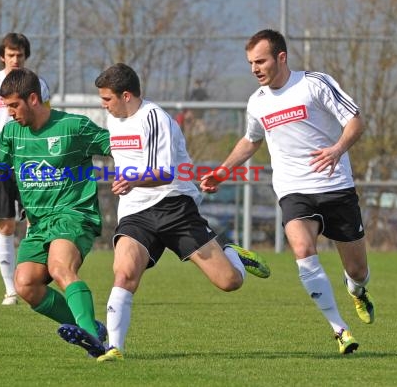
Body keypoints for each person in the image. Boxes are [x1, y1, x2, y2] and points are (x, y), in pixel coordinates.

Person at [201, 29, 374, 355]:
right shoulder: (257, 102)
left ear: (281, 57)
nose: (255, 68)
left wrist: (337, 149)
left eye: (261, 60)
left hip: (336, 186)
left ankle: (357, 289)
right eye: (251, 62)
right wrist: (223, 171)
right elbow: (251, 140)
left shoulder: (314, 84)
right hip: (293, 190)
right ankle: (340, 330)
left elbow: (355, 121)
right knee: (301, 248)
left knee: (357, 269)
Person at [93, 63, 271, 363]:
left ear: (126, 96)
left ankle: (233, 255)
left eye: (107, 99)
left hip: (174, 206)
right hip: (136, 212)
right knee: (124, 272)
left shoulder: (154, 118)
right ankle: (114, 348)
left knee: (229, 282)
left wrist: (132, 179)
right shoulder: (114, 121)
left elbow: (162, 173)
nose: (103, 105)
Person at [0, 68, 110, 358]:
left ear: (33, 99)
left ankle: (94, 341)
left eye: (14, 106)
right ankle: (86, 326)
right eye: (5, 107)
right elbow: (0, 175)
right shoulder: (11, 132)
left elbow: (116, 146)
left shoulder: (74, 127)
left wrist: (143, 171)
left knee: (60, 268)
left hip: (74, 214)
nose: (9, 113)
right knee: (25, 284)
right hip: (39, 222)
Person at [0, 32, 50, 305]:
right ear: (2, 56)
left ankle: (30, 280)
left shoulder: (38, 84)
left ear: (26, 56)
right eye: (11, 54)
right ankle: (10, 290)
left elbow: (46, 118)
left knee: (35, 222)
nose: (15, 59)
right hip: (1, 165)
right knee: (5, 225)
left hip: (31, 164)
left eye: (20, 55)